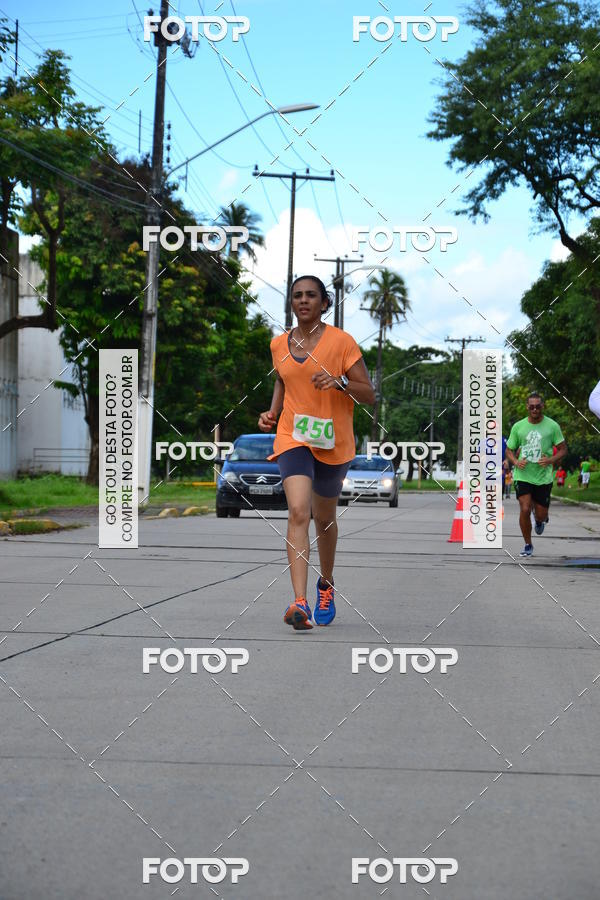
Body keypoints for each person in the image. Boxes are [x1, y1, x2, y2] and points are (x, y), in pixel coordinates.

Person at [258, 275, 375, 630]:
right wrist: (272, 413)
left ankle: (326, 584)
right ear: (291, 303)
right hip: (293, 437)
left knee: (323, 518)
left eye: (311, 295)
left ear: (325, 303)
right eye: (297, 295)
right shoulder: (278, 344)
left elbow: (369, 394)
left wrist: (340, 382)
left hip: (333, 442)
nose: (304, 300)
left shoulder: (342, 342)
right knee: (298, 511)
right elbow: (282, 378)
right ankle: (299, 602)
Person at [505, 392, 567, 557]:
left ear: (542, 406)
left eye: (537, 406)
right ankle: (528, 544)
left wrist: (550, 460)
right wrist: (516, 461)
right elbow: (509, 450)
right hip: (523, 475)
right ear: (527, 407)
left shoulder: (552, 426)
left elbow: (563, 449)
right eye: (531, 407)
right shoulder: (518, 427)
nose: (534, 409)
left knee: (541, 515)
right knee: (524, 508)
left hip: (543, 477)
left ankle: (540, 519)